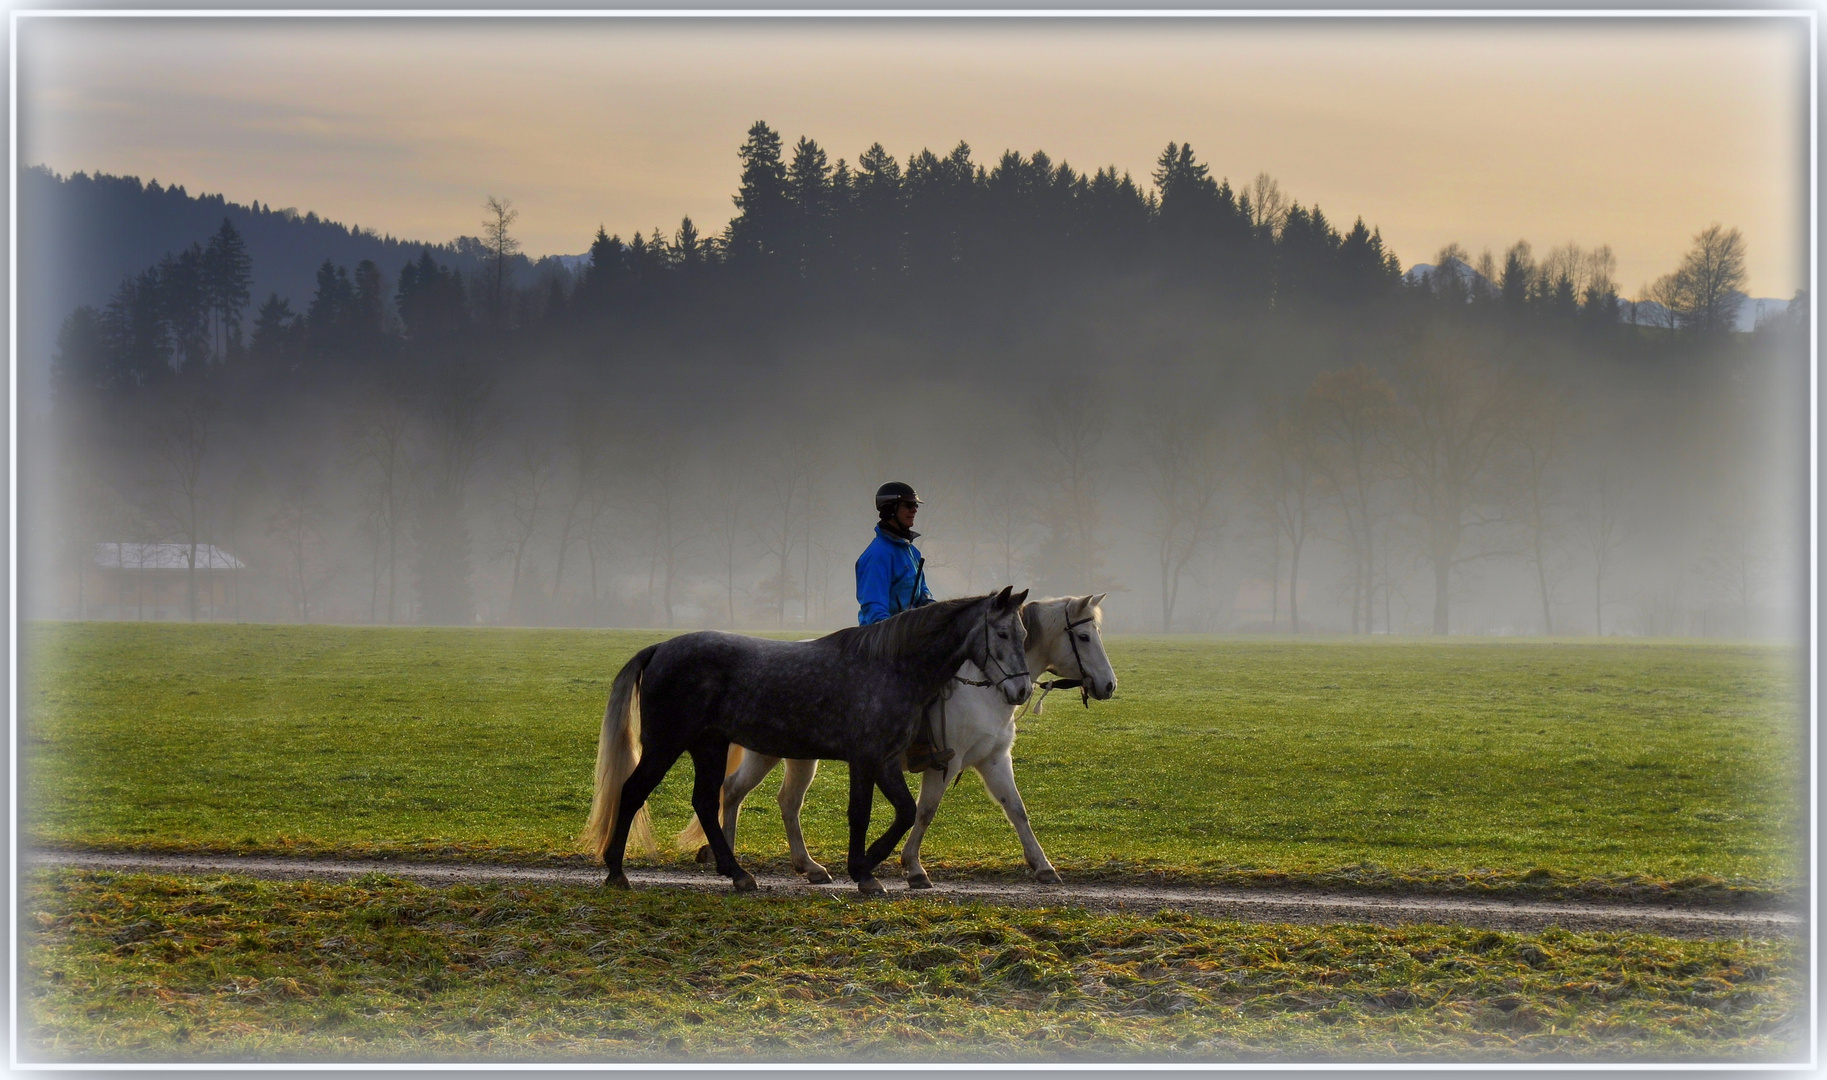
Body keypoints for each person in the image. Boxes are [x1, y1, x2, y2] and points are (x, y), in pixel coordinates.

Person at [856, 481, 950, 771]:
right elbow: (874, 612)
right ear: (889, 510)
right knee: (917, 678)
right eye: (908, 506)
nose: (913, 511)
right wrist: (905, 633)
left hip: (908, 634)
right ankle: (918, 747)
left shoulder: (908, 550)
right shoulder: (877, 555)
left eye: (915, 506)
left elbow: (922, 596)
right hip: (883, 642)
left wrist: (941, 615)